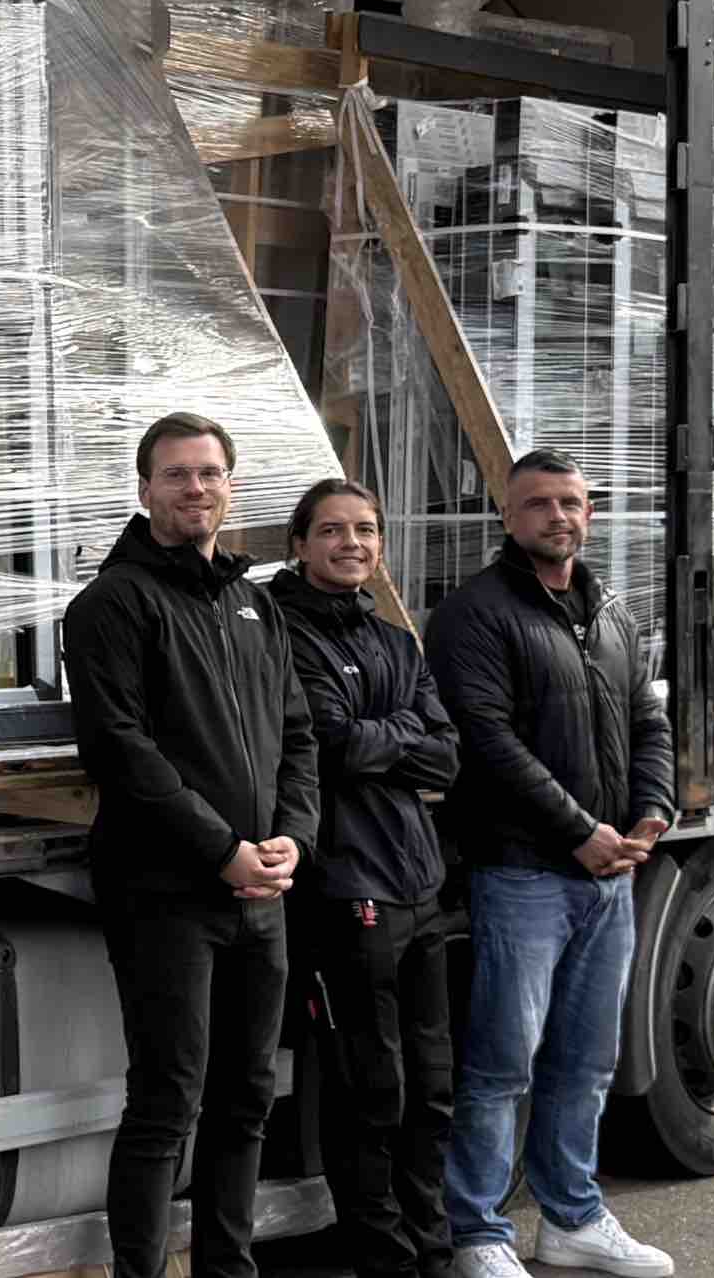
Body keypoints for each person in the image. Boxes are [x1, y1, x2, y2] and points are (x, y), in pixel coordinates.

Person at [63, 411, 321, 1278]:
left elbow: (297, 735)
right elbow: (119, 751)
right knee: (168, 1100)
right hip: (168, 891)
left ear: (230, 486)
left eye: (209, 473)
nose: (195, 489)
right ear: (145, 491)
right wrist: (221, 851)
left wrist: (292, 839)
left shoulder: (254, 603)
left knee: (247, 1095)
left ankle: (227, 1267)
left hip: (261, 890)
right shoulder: (111, 605)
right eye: (176, 475)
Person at [424, 449, 676, 1278]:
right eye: (538, 504)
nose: (557, 517)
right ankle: (480, 1235)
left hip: (608, 874)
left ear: (590, 513)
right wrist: (578, 831)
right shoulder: (476, 613)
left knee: (586, 1058)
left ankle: (571, 1216)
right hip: (525, 870)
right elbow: (486, 742)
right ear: (508, 516)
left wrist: (652, 810)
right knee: (501, 1062)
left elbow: (649, 720)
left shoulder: (611, 613)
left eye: (571, 503)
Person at [268, 476, 462, 1278]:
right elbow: (328, 744)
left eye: (367, 530)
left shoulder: (394, 639)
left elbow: (447, 752)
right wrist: (402, 733)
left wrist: (391, 737)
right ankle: (383, 1257)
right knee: (373, 1087)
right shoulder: (282, 635)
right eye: (334, 530)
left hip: (420, 882)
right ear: (301, 543)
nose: (353, 544)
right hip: (351, 888)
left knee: (434, 1085)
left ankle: (436, 1247)